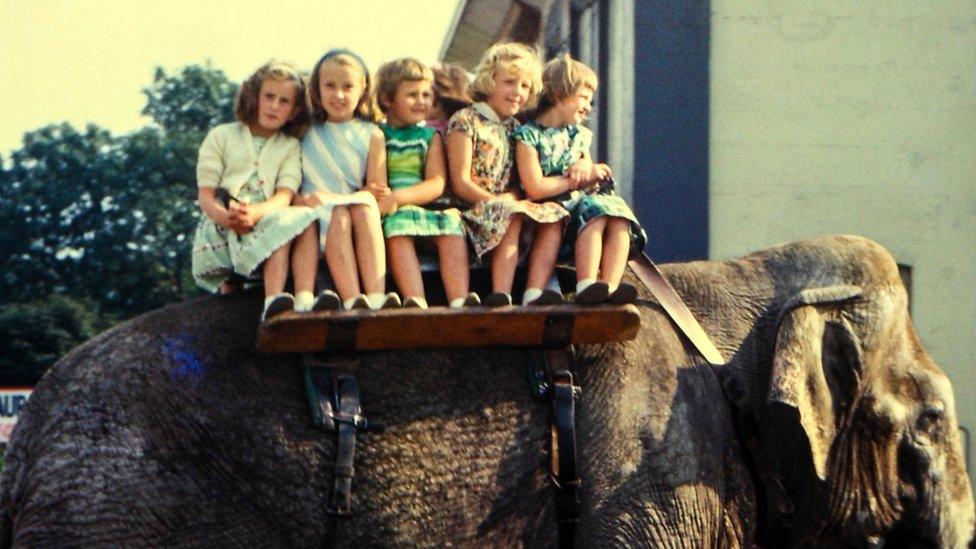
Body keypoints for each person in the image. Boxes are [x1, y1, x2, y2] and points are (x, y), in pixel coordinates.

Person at [513, 54, 646, 304]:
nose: (588, 106)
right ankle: (544, 291)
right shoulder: (528, 136)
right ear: (559, 95)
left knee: (616, 213)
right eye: (583, 98)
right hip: (546, 207)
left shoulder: (579, 135)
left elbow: (587, 167)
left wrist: (590, 167)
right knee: (560, 219)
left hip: (579, 208)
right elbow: (535, 187)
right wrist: (575, 181)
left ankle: (608, 284)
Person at [191, 60, 316, 322]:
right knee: (280, 223)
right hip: (224, 219)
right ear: (255, 96)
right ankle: (232, 291)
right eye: (269, 96)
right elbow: (206, 194)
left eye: (284, 102)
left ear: (293, 112)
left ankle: (283, 299)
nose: (274, 105)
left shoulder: (290, 146)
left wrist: (257, 212)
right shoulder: (222, 136)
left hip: (266, 213)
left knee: (291, 220)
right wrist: (225, 217)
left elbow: (284, 194)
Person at [446, 43, 569, 307]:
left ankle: (535, 292)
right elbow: (460, 182)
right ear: (490, 81)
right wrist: (500, 202)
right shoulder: (466, 120)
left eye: (525, 86)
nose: (518, 92)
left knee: (555, 215)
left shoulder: (515, 128)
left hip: (504, 209)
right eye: (510, 82)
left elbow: (516, 183)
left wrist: (512, 198)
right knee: (510, 214)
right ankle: (501, 293)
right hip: (470, 211)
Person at [291, 49, 400, 312]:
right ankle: (352, 297)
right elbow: (290, 181)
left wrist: (357, 196)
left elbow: (376, 190)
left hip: (351, 210)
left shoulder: (372, 134)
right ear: (317, 89)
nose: (339, 95)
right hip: (312, 209)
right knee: (339, 214)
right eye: (330, 86)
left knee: (359, 208)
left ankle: (376, 295)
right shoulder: (305, 131)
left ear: (362, 90)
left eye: (347, 87)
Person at [373, 58, 479, 309]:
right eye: (412, 95)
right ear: (387, 99)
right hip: (392, 213)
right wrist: (391, 201)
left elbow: (436, 183)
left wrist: (400, 198)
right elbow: (377, 182)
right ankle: (415, 299)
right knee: (398, 229)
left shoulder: (430, 137)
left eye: (427, 95)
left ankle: (460, 299)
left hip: (418, 206)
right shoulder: (377, 135)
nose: (422, 101)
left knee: (451, 224)